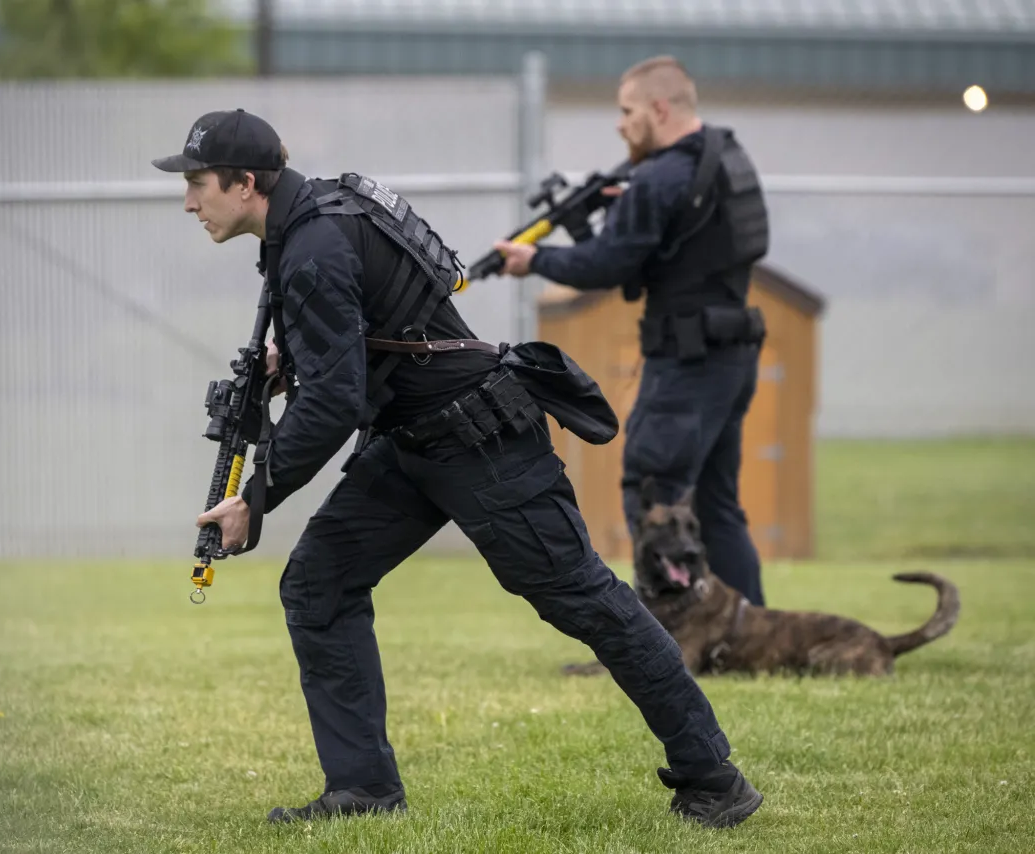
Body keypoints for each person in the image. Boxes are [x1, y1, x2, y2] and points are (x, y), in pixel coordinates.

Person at [152, 107, 763, 828]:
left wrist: (255, 499)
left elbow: (334, 404)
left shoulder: (312, 245)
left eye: (198, 184)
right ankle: (363, 791)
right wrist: (306, 357)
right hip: (413, 439)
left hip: (483, 443)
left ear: (245, 182)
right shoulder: (320, 215)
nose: (190, 202)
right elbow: (377, 331)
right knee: (318, 584)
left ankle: (712, 776)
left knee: (587, 600)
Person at [493, 55, 770, 608]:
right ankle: (745, 633)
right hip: (731, 356)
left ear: (659, 109)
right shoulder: (725, 159)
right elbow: (678, 247)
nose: (620, 125)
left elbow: (607, 265)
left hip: (686, 363)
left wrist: (534, 260)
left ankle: (659, 648)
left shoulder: (659, 177)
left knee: (654, 498)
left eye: (626, 111)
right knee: (716, 505)